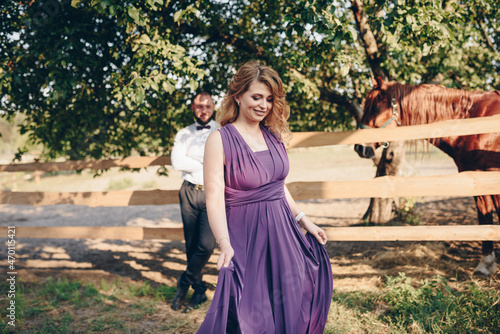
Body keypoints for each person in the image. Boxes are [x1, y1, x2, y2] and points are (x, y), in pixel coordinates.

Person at [197, 62, 333, 333]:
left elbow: (278, 186)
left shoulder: (273, 136)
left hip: (284, 232)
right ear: (238, 96)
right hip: (245, 236)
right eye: (256, 97)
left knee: (292, 299)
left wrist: (305, 221)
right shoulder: (219, 140)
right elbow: (213, 197)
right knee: (248, 309)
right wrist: (224, 243)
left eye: (269, 99)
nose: (263, 105)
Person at [170, 92, 218, 313]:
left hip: (213, 193)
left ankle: (184, 282)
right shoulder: (183, 134)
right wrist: (207, 162)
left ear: (214, 106)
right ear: (192, 108)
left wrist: (196, 160)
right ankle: (198, 290)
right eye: (199, 106)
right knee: (191, 245)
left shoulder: (222, 130)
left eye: (207, 106)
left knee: (207, 244)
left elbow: (225, 161)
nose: (204, 110)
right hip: (188, 191)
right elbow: (178, 161)